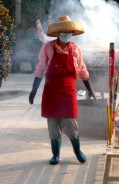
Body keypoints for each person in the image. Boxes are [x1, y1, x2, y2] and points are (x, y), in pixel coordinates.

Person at [29, 15, 96, 165]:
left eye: (69, 32)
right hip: (51, 91)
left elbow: (83, 70)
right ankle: (55, 155)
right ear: (58, 33)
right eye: (64, 32)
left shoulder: (76, 49)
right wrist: (33, 90)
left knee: (71, 124)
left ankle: (77, 151)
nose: (67, 34)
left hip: (68, 92)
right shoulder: (48, 47)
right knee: (53, 127)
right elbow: (40, 68)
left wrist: (90, 89)